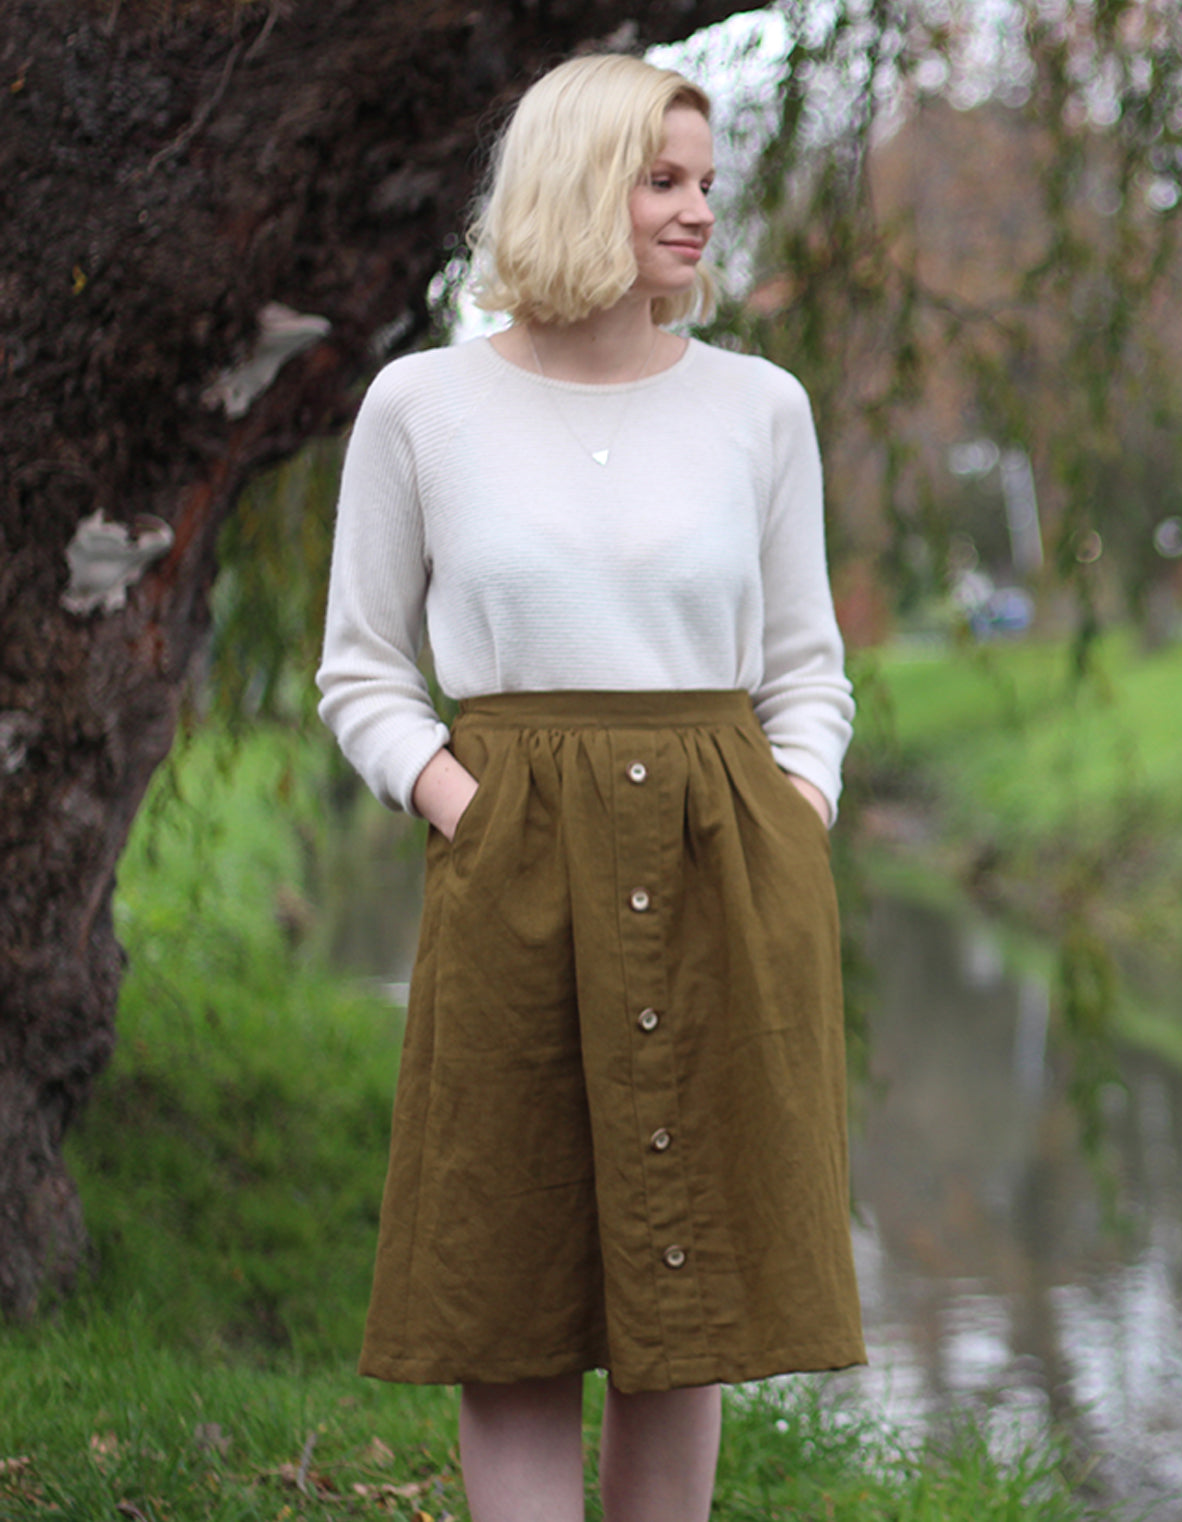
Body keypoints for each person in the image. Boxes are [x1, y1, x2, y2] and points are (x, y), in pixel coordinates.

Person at [317, 51, 864, 1522]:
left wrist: (791, 818)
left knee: (685, 1303)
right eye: (661, 179)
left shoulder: (759, 408)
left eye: (706, 182)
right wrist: (468, 809)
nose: (699, 212)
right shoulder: (422, 404)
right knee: (510, 1292)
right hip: (513, 869)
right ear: (573, 183)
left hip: (721, 865)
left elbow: (805, 668)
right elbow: (361, 668)